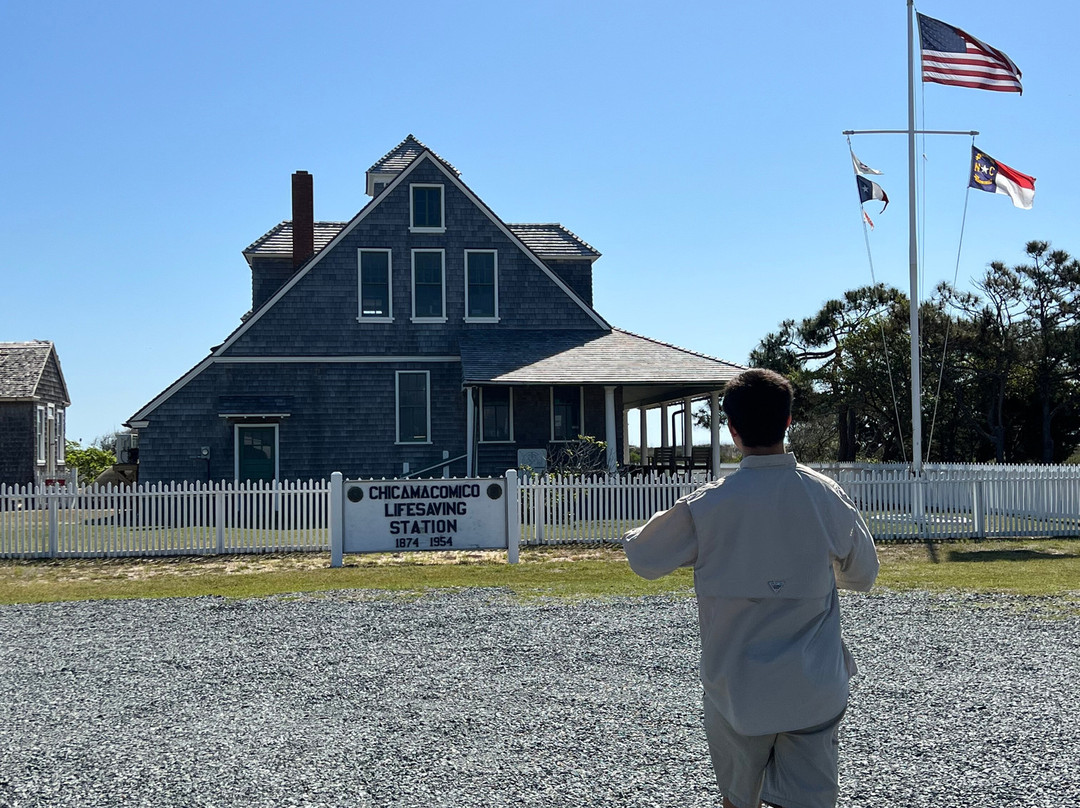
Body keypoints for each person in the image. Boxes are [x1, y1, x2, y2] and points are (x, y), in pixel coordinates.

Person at [622, 368, 878, 808]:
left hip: (737, 689)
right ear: (788, 423)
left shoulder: (709, 504)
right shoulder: (825, 495)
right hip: (812, 685)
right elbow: (863, 575)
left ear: (732, 430)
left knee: (740, 800)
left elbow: (643, 557)